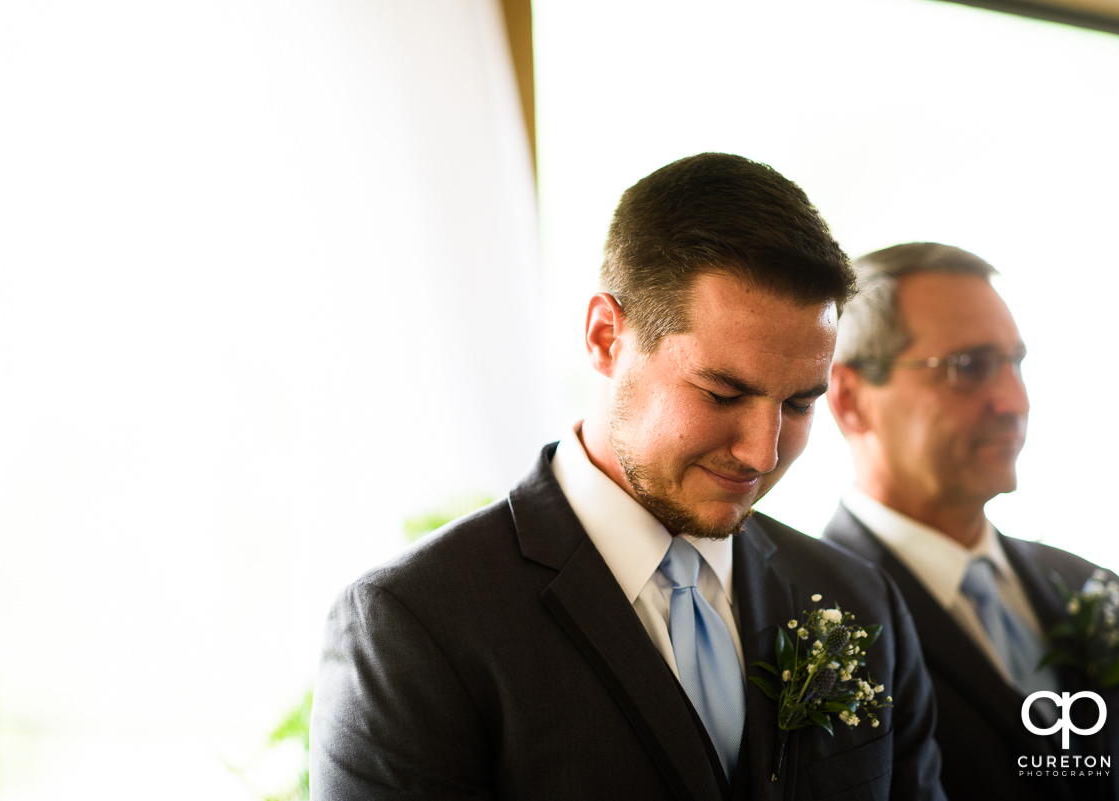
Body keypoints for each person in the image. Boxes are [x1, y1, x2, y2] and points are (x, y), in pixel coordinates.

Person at [311, 153, 945, 800]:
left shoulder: (862, 602)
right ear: (605, 336)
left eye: (799, 403)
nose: (761, 452)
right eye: (722, 393)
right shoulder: (414, 626)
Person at [822, 242, 1119, 801]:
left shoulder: (1096, 588)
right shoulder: (808, 618)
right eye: (968, 368)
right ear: (849, 398)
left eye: (1016, 363)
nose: (1014, 401)